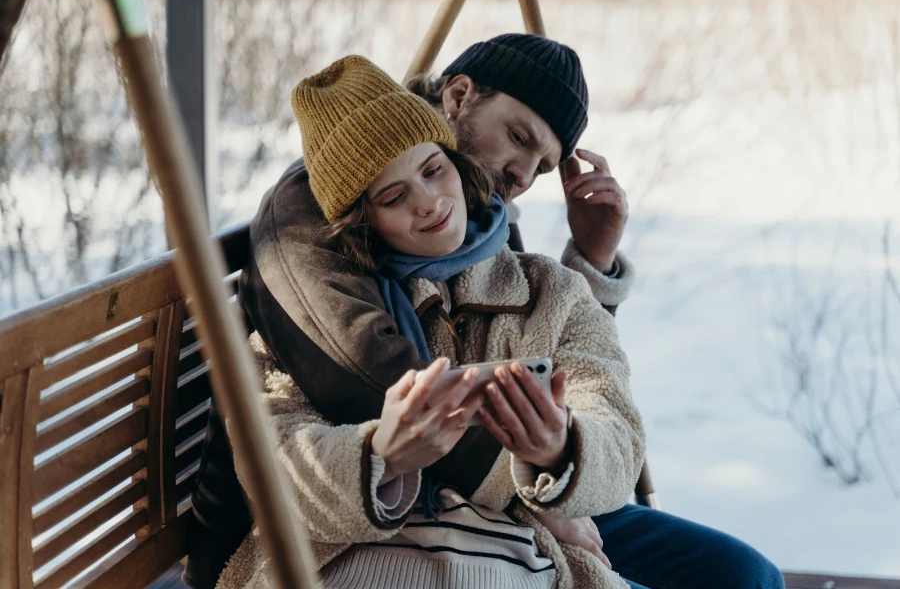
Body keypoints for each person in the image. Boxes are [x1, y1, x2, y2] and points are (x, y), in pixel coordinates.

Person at [186, 35, 784, 589]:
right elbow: (332, 397)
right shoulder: (317, 221)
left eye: (544, 166)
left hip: (521, 501)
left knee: (747, 577)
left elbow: (590, 386)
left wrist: (560, 451)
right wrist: (408, 460)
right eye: (520, 138)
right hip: (403, 522)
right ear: (458, 97)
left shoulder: (507, 248)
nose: (524, 175)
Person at [217, 54, 644, 589]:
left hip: (513, 552)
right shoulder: (332, 297)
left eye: (434, 171)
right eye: (393, 197)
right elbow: (272, 454)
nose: (428, 202)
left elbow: (615, 427)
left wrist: (560, 451)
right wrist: (378, 457)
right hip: (364, 559)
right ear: (362, 219)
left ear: (456, 167)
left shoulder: (550, 292)